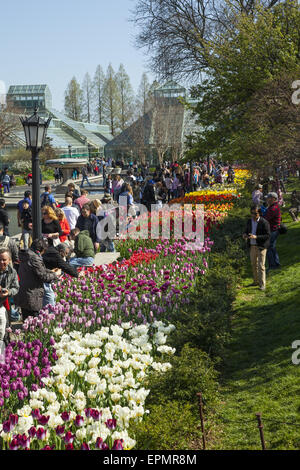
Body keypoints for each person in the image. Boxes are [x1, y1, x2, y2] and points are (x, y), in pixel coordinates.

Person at [14, 239, 60, 320]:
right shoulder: (34, 258)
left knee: (26, 321)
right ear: (40, 250)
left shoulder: (25, 255)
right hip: (33, 294)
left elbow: (35, 271)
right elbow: (43, 276)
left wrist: (50, 271)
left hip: (23, 293)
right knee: (34, 323)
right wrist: (55, 274)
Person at [243, 205, 270, 291]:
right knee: (253, 264)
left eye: (255, 213)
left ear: (259, 213)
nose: (253, 215)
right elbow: (246, 231)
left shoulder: (264, 222)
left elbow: (267, 235)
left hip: (261, 246)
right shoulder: (249, 221)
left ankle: (262, 284)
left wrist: (256, 237)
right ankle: (256, 281)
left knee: (261, 265)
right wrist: (245, 235)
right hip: (252, 246)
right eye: (251, 213)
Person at [42, 242, 78, 307]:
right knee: (50, 299)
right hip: (44, 279)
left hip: (45, 276)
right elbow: (64, 266)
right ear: (61, 251)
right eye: (66, 253)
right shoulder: (55, 254)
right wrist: (77, 274)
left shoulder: (52, 250)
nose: (66, 255)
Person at [0, 248, 19, 350]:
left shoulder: (12, 272)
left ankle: (4, 352)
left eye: (4, 260)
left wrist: (9, 292)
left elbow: (16, 288)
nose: (1, 262)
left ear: (9, 260)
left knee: (5, 329)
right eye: (0, 259)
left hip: (4, 303)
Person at [265, 192, 281, 272]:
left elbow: (266, 218)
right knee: (272, 247)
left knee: (269, 248)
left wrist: (259, 216)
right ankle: (276, 263)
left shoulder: (273, 208)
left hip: (272, 230)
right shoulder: (273, 207)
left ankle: (272, 265)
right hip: (274, 230)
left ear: (273, 199)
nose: (267, 199)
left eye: (268, 198)